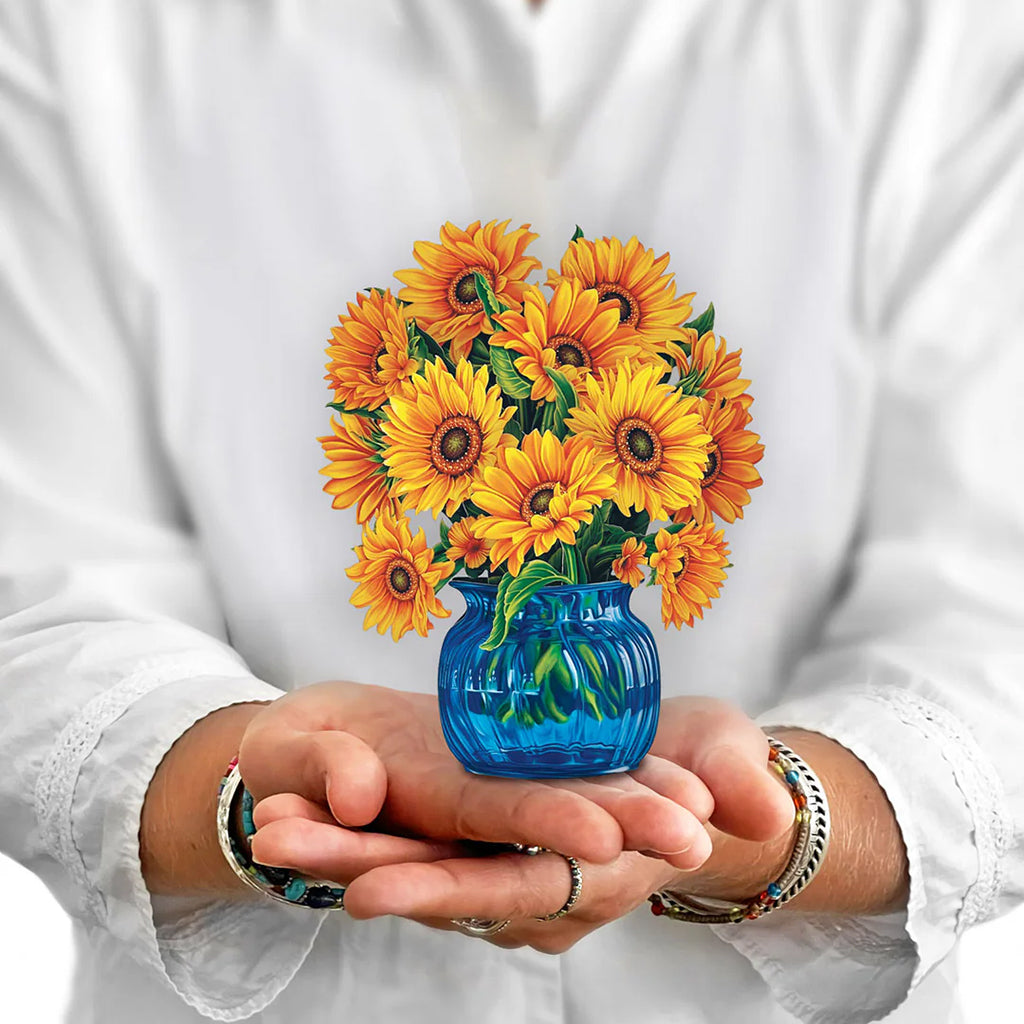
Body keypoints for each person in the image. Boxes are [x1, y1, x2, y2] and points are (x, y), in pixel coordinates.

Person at [1, 0, 1021, 1021]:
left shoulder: (948, 32)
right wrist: (249, 797)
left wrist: (783, 818)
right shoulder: (81, 29)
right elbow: (38, 609)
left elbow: (993, 621)